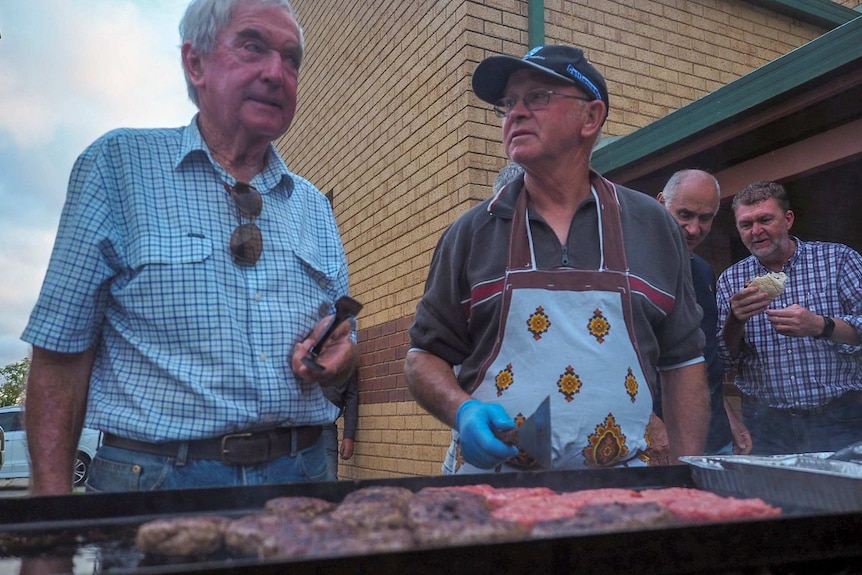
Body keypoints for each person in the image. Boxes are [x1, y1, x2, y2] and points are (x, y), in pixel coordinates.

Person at [21, 0, 358, 496]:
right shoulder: (118, 167)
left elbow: (342, 342)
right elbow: (59, 356)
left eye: (291, 58)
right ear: (194, 62)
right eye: (253, 46)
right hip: (154, 483)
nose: (276, 72)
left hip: (302, 477)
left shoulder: (313, 205)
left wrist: (340, 355)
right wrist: (48, 523)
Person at [405, 45, 710, 474]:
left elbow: (683, 362)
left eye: (538, 97)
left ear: (591, 117)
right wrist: (461, 410)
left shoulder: (653, 226)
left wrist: (684, 476)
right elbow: (423, 355)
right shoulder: (470, 233)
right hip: (491, 493)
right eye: (509, 103)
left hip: (622, 495)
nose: (515, 113)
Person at [716, 181, 862, 455]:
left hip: (839, 417)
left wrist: (820, 325)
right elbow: (724, 359)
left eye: (765, 220)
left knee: (843, 497)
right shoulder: (731, 280)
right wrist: (735, 321)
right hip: (765, 424)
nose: (756, 231)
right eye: (746, 224)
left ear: (788, 219)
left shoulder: (838, 260)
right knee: (771, 498)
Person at [655, 169, 751, 457]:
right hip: (661, 439)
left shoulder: (703, 271)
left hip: (715, 437)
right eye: (684, 214)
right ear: (661, 203)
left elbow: (703, 357)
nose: (694, 229)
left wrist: (728, 417)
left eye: (705, 218)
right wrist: (650, 424)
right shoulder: (630, 271)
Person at [321, 370, 359, 480]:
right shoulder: (303, 354)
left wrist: (349, 436)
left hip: (326, 428)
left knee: (330, 480)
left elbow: (351, 397)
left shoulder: (346, 357)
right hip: (299, 428)